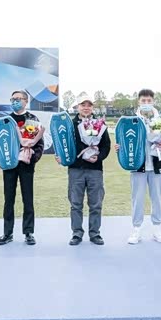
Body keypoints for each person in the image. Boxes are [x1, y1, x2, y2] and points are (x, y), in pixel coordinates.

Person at [115, 89, 161, 245]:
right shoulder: (131, 121)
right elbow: (123, 139)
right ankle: (136, 230)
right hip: (137, 165)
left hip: (156, 165)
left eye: (149, 101)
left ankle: (157, 229)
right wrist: (120, 147)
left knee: (157, 198)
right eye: (143, 101)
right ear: (138, 102)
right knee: (137, 199)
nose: (146, 103)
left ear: (153, 102)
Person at [0, 90, 44, 246]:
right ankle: (7, 233)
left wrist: (33, 157)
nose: (15, 101)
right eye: (13, 99)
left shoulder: (33, 120)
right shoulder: (5, 120)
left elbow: (39, 144)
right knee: (9, 199)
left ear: (26, 101)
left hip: (26, 165)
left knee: (28, 199)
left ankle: (28, 232)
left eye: (18, 99)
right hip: (8, 164)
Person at [59, 94, 111, 246]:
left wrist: (98, 157)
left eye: (89, 105)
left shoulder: (100, 124)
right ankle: (77, 233)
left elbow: (106, 145)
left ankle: (95, 233)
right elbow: (63, 143)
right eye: (83, 105)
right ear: (77, 107)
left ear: (92, 107)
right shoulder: (69, 124)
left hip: (95, 169)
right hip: (76, 169)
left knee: (96, 204)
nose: (86, 108)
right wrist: (61, 156)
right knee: (76, 204)